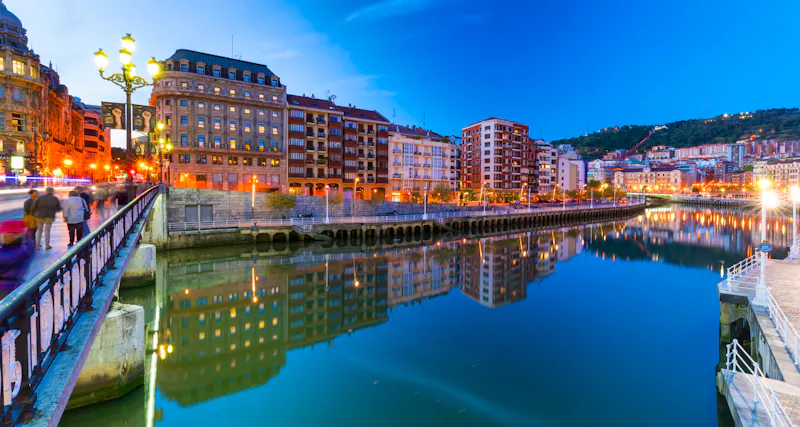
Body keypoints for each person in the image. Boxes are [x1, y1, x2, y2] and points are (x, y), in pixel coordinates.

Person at [0, 220, 34, 298]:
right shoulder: (9, 246)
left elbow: (6, 259)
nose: (2, 236)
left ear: (15, 234)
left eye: (5, 234)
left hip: (8, 289)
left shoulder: (23, 249)